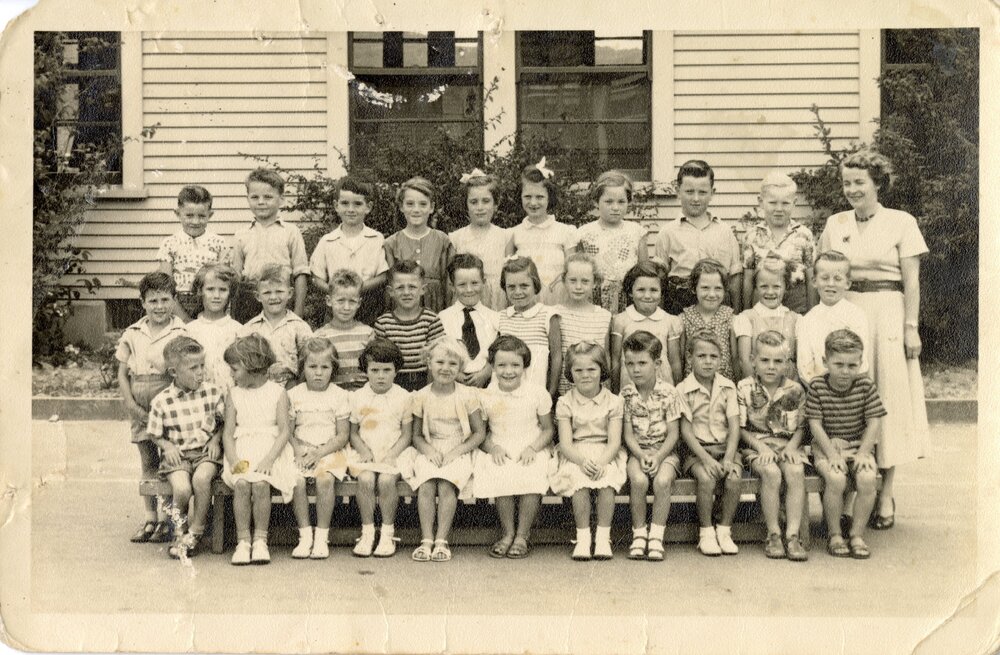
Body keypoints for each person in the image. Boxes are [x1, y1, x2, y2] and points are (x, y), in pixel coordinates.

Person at [819, 148, 930, 529]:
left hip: (887, 311)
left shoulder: (901, 221)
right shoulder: (836, 223)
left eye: (859, 182)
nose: (852, 189)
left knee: (886, 398)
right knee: (847, 399)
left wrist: (911, 327)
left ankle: (885, 495)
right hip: (847, 311)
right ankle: (850, 494)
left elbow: (912, 280)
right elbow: (825, 272)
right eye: (847, 182)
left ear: (877, 183)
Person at [116, 272, 188, 544]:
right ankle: (150, 518)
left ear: (174, 300)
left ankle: (168, 520)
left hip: (168, 401)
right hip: (139, 402)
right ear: (142, 302)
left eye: (165, 300)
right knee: (148, 461)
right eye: (153, 300)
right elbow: (122, 373)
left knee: (168, 462)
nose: (159, 306)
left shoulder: (180, 331)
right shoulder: (133, 332)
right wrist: (131, 405)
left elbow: (181, 372)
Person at [401, 339, 486, 562]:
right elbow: (416, 435)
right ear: (429, 362)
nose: (445, 368)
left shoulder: (468, 395)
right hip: (430, 447)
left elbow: (479, 433)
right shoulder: (420, 396)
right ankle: (426, 539)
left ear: (460, 367)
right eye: (440, 362)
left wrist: (456, 452)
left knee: (447, 484)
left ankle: (441, 540)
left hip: (459, 448)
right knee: (427, 484)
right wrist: (428, 451)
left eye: (452, 364)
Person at [806, 329, 886, 559]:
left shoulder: (865, 386)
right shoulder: (817, 386)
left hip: (857, 445)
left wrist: (862, 453)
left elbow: (874, 423)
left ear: (860, 363)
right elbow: (815, 425)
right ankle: (834, 534)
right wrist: (832, 455)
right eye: (838, 364)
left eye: (852, 365)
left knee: (868, 478)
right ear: (825, 361)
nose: (845, 371)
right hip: (827, 446)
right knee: (835, 478)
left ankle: (857, 534)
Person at [474, 336, 555, 560]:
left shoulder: (537, 393)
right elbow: (479, 434)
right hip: (499, 443)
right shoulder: (485, 395)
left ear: (524, 366)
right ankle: (508, 532)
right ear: (492, 366)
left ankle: (522, 534)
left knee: (532, 471)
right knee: (502, 471)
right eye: (501, 365)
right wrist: (492, 448)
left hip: (532, 443)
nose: (508, 371)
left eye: (515, 365)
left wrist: (533, 447)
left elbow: (548, 430)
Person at [220, 335, 299, 565]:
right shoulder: (234, 394)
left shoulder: (277, 393)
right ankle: (243, 541)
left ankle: (261, 540)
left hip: (270, 449)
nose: (232, 374)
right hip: (242, 448)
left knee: (262, 485)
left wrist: (269, 459)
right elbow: (228, 432)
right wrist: (234, 459)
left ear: (251, 365)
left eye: (234, 369)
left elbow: (284, 431)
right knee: (243, 484)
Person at [146, 336, 224, 559]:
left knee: (201, 479)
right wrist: (166, 445)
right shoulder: (162, 401)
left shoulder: (211, 392)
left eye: (202, 366)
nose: (200, 372)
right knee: (181, 489)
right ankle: (178, 531)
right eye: (193, 368)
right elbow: (154, 433)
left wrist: (215, 440)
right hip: (178, 455)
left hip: (205, 453)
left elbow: (224, 421)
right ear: (173, 372)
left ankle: (196, 532)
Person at [549, 342, 626, 561]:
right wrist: (582, 462)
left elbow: (614, 441)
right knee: (577, 478)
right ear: (570, 372)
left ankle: (603, 537)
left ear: (602, 370)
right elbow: (565, 443)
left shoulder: (614, 401)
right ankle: (582, 538)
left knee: (607, 480)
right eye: (578, 370)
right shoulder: (565, 402)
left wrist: (601, 463)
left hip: (605, 452)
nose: (585, 375)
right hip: (575, 452)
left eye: (591, 369)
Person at [736, 331, 809, 561]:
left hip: (788, 444)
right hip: (757, 445)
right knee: (771, 472)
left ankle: (793, 535)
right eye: (765, 360)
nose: (771, 367)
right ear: (753, 360)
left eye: (778, 361)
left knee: (795, 471)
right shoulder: (744, 387)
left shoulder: (795, 390)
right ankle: (774, 533)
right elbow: (740, 428)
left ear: (787, 364)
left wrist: (792, 447)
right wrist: (761, 448)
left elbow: (801, 427)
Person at [620, 331, 685, 562]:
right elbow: (628, 435)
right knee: (638, 481)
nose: (635, 369)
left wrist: (657, 456)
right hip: (637, 452)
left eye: (642, 363)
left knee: (662, 481)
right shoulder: (626, 395)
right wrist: (640, 455)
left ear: (657, 364)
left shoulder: (669, 393)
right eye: (630, 364)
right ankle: (639, 534)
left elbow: (674, 433)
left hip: (664, 452)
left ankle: (656, 535)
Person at [677, 329, 742, 556]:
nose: (707, 362)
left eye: (713, 357)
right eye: (701, 356)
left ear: (720, 359)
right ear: (690, 358)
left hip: (725, 448)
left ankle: (724, 529)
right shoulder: (683, 390)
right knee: (706, 478)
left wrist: (728, 458)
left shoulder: (728, 386)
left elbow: (734, 427)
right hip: (698, 450)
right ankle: (706, 531)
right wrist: (705, 459)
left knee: (733, 477)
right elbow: (685, 431)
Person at [348, 338, 413, 558]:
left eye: (387, 370)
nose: (381, 376)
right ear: (366, 370)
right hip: (365, 449)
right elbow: (353, 432)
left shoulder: (404, 397)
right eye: (375, 370)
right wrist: (365, 452)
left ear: (396, 371)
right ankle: (367, 532)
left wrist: (392, 455)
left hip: (395, 450)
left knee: (386, 481)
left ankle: (387, 532)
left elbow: (406, 435)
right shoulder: (356, 397)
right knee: (366, 480)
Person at [287, 337, 351, 560]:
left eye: (325, 367)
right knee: (296, 480)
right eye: (312, 366)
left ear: (333, 369)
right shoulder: (294, 395)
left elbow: (342, 435)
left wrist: (319, 453)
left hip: (329, 450)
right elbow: (288, 431)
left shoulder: (340, 395)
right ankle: (305, 535)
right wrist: (298, 451)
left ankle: (322, 536)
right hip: (301, 450)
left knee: (325, 479)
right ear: (303, 367)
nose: (318, 373)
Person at [654, 160, 742, 314]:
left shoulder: (725, 231)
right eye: (689, 192)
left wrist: (736, 314)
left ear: (712, 193)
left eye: (702, 192)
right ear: (678, 191)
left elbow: (734, 278)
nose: (696, 198)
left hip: (718, 303)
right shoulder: (668, 232)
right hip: (679, 305)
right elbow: (659, 280)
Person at [230, 168, 309, 322]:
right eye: (254, 197)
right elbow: (236, 277)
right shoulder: (241, 235)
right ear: (248, 199)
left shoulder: (291, 232)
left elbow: (301, 273)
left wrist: (298, 311)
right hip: (249, 298)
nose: (261, 202)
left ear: (281, 199)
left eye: (268, 197)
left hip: (280, 294)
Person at [309, 176, 389, 325]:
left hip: (367, 305)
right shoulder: (327, 241)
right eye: (345, 203)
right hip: (336, 306)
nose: (351, 209)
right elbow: (316, 277)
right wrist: (336, 291)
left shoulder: (376, 239)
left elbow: (383, 276)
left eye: (358, 204)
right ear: (336, 205)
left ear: (368, 207)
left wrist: (358, 289)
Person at [741, 171, 816, 314]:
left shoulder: (804, 235)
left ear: (794, 203)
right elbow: (748, 280)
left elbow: (810, 276)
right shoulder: (751, 235)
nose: (779, 209)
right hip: (763, 301)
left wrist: (812, 314)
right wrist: (746, 313)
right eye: (773, 203)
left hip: (797, 303)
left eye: (785, 203)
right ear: (761, 202)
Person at [506, 158, 579, 305]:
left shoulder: (565, 232)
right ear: (520, 197)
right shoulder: (513, 234)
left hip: (558, 301)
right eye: (527, 197)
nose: (533, 203)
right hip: (526, 303)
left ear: (549, 198)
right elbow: (508, 275)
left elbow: (573, 273)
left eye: (540, 197)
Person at [576, 170, 649, 314]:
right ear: (596, 202)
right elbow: (578, 270)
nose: (615, 207)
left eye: (621, 201)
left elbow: (644, 273)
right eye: (608, 202)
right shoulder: (584, 233)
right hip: (593, 301)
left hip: (628, 301)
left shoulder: (636, 232)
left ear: (629, 202)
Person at [157, 185, 230, 321]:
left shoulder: (219, 243)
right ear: (178, 214)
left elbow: (224, 282)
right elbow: (164, 285)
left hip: (209, 301)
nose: (195, 222)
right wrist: (183, 318)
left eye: (201, 216)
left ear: (210, 215)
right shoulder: (170, 243)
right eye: (189, 216)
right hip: (177, 302)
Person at [796, 251, 871, 383]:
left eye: (837, 279)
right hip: (818, 392)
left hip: (853, 391)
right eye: (824, 278)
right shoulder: (807, 320)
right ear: (814, 281)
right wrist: (822, 392)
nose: (831, 284)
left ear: (847, 283)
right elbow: (805, 367)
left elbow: (862, 363)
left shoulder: (857, 316)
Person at [383, 177, 455, 313]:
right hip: (403, 309)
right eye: (410, 204)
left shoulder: (442, 240)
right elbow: (390, 285)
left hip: (436, 307)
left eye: (423, 204)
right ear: (401, 207)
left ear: (432, 207)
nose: (416, 210)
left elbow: (448, 283)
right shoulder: (391, 243)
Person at [373, 260, 446, 391]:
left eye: (412, 287)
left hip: (425, 381)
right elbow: (381, 360)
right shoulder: (383, 323)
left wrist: (430, 389)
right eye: (400, 287)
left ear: (422, 289)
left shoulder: (431, 320)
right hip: (394, 383)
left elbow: (438, 357)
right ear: (390, 291)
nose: (406, 292)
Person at [610, 261, 683, 391]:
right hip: (630, 385)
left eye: (654, 290)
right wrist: (615, 391)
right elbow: (615, 360)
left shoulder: (670, 321)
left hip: (663, 387)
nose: (647, 296)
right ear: (631, 292)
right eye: (641, 290)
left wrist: (678, 391)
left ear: (662, 292)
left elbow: (675, 362)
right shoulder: (621, 320)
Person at [238, 264, 313, 388]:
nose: (273, 297)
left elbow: (310, 362)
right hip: (259, 392)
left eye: (279, 291)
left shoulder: (299, 328)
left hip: (291, 391)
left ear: (290, 293)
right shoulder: (248, 329)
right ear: (258, 296)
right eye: (267, 292)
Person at [497, 256, 562, 396]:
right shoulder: (502, 317)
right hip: (504, 394)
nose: (518, 292)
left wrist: (550, 393)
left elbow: (556, 357)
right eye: (511, 287)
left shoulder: (548, 315)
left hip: (535, 392)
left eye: (524, 286)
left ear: (535, 284)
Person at [449, 169, 511, 310]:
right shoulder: (456, 238)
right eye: (474, 202)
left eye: (486, 201)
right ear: (466, 205)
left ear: (495, 205)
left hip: (497, 303)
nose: (480, 208)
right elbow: (451, 281)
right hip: (466, 301)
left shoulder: (506, 236)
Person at [733, 254, 800, 381]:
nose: (770, 292)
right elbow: (744, 360)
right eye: (764, 286)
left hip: (789, 388)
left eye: (776, 286)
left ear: (786, 287)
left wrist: (789, 388)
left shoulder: (795, 319)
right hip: (756, 390)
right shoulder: (747, 318)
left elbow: (799, 361)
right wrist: (757, 391)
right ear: (756, 287)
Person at [438, 253, 499, 389]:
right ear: (452, 286)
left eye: (475, 283)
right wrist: (456, 375)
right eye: (462, 285)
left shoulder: (495, 318)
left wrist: (486, 372)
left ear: (484, 282)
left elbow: (501, 352)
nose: (469, 290)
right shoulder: (442, 318)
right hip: (453, 383)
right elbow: (439, 353)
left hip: (488, 384)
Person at [556, 253, 612, 394]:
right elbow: (556, 357)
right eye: (573, 280)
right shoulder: (555, 314)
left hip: (596, 391)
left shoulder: (604, 316)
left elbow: (606, 356)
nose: (578, 287)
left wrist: (608, 390)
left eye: (585, 281)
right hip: (566, 391)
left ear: (595, 283)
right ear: (564, 281)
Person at [313, 269, 375, 391]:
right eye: (340, 301)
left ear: (359, 303)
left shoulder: (368, 333)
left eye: (352, 301)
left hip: (362, 396)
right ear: (329, 301)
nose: (346, 307)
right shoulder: (320, 336)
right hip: (333, 396)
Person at [184, 263, 242, 391]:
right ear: (200, 291)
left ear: (230, 293)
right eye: (210, 289)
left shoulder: (238, 330)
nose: (216, 296)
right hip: (199, 398)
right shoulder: (189, 331)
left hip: (230, 396)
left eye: (223, 290)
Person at [680, 259, 738, 381]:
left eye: (718, 288)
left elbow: (735, 358)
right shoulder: (684, 318)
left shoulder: (731, 318)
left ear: (725, 290)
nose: (712, 294)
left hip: (723, 387)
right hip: (692, 387)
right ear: (694, 288)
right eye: (705, 288)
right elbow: (680, 360)